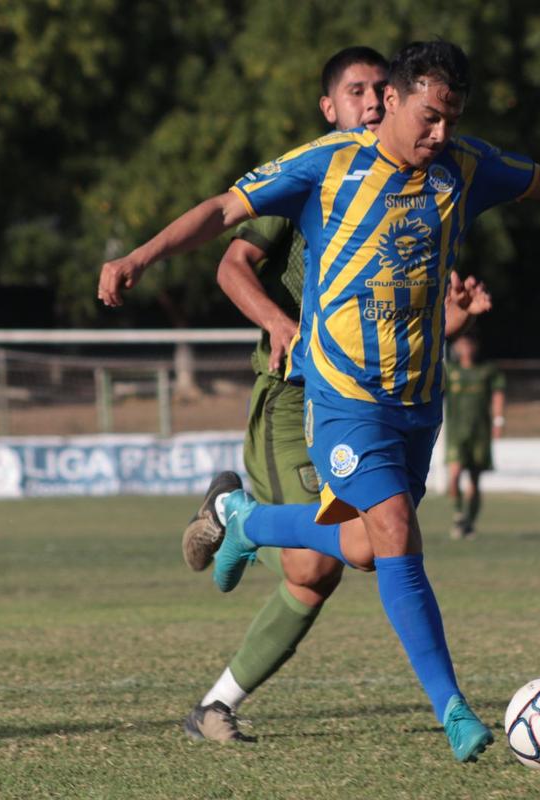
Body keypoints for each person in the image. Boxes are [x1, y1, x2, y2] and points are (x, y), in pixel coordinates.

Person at [98, 40, 540, 761]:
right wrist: (138, 257)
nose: (439, 134)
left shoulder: (461, 168)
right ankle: (455, 713)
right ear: (398, 100)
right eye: (430, 117)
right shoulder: (325, 164)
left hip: (418, 400)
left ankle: (244, 521)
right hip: (342, 395)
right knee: (396, 531)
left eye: (450, 121)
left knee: (365, 547)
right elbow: (224, 213)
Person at [181, 45, 493, 744]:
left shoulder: (414, 183)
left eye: (383, 89)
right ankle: (220, 686)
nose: (373, 101)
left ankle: (237, 531)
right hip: (292, 394)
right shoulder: (313, 174)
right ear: (329, 107)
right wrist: (277, 320)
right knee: (323, 562)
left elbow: (395, 317)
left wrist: (457, 318)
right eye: (357, 91)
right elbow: (232, 264)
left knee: (354, 551)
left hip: (373, 396)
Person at [444, 332, 505, 540]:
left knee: (475, 480)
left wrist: (498, 421)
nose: (466, 348)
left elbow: (498, 394)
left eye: (469, 344)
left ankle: (470, 522)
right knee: (453, 475)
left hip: (480, 432)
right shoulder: (449, 371)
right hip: (455, 432)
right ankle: (459, 514)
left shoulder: (487, 370)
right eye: (462, 344)